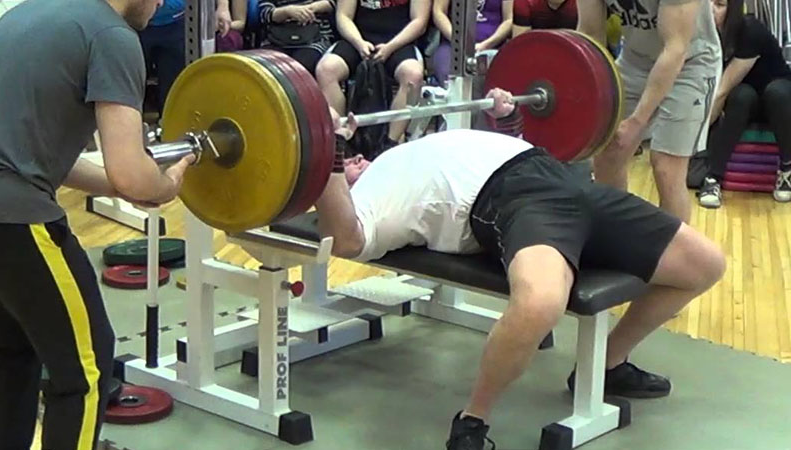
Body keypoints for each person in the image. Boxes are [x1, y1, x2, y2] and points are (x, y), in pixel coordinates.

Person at [320, 89, 726, 449]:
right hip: (512, 199)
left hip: (561, 175)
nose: (355, 157)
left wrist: (509, 118)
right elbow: (347, 240)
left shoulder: (399, 151)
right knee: (540, 304)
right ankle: (473, 419)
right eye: (347, 164)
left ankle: (607, 365)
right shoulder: (373, 194)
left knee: (705, 264)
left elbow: (501, 147)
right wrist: (327, 154)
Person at [0, 0, 195, 449]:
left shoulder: (27, 14)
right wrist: (167, 183)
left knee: (10, 354)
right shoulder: (112, 36)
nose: (162, 3)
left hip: (2, 212)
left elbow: (33, 150)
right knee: (86, 371)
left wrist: (120, 186)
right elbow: (132, 172)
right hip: (13, 217)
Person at [578, 0, 722, 223]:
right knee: (608, 153)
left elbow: (675, 49)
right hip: (635, 61)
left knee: (667, 168)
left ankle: (671, 246)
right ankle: (613, 236)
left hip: (690, 62)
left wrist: (636, 122)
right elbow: (590, 34)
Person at [697, 0, 791, 207]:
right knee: (741, 95)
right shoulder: (703, 34)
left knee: (775, 92)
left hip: (779, 97)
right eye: (708, 2)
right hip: (746, 99)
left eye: (720, 5)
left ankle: (787, 169)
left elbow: (721, 91)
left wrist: (697, 139)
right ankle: (713, 177)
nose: (711, 10)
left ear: (733, 10)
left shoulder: (751, 31)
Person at [315, 0, 430, 144]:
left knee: (413, 75)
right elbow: (344, 16)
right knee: (326, 69)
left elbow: (419, 22)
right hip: (357, 40)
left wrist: (390, 47)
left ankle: (390, 143)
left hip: (399, 42)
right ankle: (340, 138)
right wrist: (359, 43)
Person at [140, 0, 232, 114]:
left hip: (179, 21)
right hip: (135, 20)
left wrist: (223, 7)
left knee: (173, 92)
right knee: (129, 86)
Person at [431, 0, 513, 85]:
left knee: (496, 83)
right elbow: (439, 12)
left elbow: (509, 19)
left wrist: (486, 44)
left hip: (494, 46)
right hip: (453, 45)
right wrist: (458, 40)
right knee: (450, 80)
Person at [258, 0, 337, 74]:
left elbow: (332, 3)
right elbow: (264, 13)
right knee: (266, 67)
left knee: (302, 66)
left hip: (315, 38)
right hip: (276, 39)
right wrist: (287, 11)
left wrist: (309, 9)